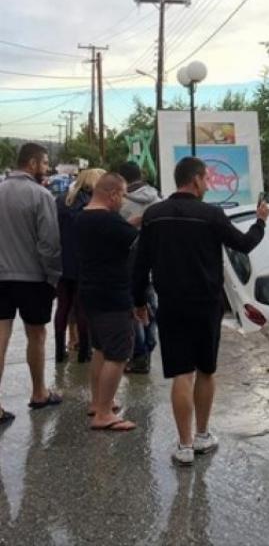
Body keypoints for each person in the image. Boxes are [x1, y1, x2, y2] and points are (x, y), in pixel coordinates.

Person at [133, 157, 269, 465]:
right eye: (206, 180)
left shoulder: (154, 215)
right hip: (206, 305)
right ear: (195, 180)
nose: (208, 185)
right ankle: (203, 436)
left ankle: (183, 446)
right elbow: (244, 244)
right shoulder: (211, 215)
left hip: (171, 303)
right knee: (206, 370)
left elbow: (140, 263)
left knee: (182, 373)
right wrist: (261, 221)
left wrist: (138, 301)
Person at [0, 143, 63, 425]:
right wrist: (53, 278)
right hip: (33, 277)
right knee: (36, 335)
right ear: (34, 163)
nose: (47, 168)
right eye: (45, 163)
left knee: (0, 335)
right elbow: (49, 243)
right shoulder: (41, 195)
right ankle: (39, 392)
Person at [75, 173, 139, 431]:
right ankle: (104, 413)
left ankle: (98, 402)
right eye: (122, 195)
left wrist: (131, 223)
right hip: (113, 296)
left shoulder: (82, 217)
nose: (122, 201)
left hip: (90, 292)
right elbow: (136, 244)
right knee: (118, 354)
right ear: (112, 194)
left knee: (100, 350)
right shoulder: (110, 221)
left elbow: (118, 234)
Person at [54, 168, 105, 363]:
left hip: (63, 262)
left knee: (63, 307)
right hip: (84, 263)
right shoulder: (92, 203)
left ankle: (60, 350)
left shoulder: (61, 200)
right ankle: (85, 351)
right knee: (83, 309)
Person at [118, 161, 161, 374]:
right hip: (155, 262)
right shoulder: (157, 197)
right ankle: (149, 346)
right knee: (150, 306)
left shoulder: (121, 202)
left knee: (134, 310)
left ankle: (139, 354)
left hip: (129, 263)